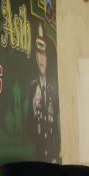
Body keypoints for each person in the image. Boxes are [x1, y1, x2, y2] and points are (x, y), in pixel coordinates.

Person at [26, 23, 58, 162]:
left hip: (52, 158)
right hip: (38, 159)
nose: (41, 59)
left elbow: (55, 127)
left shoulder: (52, 90)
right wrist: (33, 109)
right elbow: (28, 131)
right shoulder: (31, 88)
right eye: (39, 54)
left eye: (44, 54)